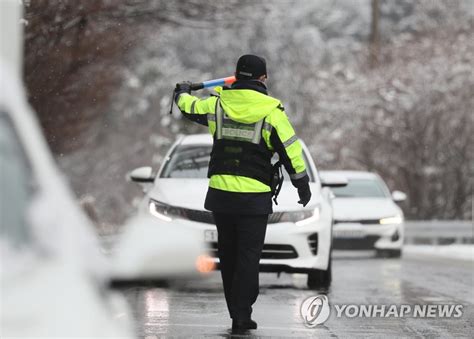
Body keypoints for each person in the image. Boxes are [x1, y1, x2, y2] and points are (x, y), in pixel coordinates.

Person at [173, 54, 311, 331]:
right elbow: (291, 150)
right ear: (264, 79)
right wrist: (302, 184)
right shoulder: (272, 112)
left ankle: (235, 310)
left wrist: (181, 92)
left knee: (229, 255)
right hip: (254, 199)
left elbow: (188, 107)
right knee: (248, 257)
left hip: (221, 195)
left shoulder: (218, 104)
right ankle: (242, 312)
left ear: (236, 77)